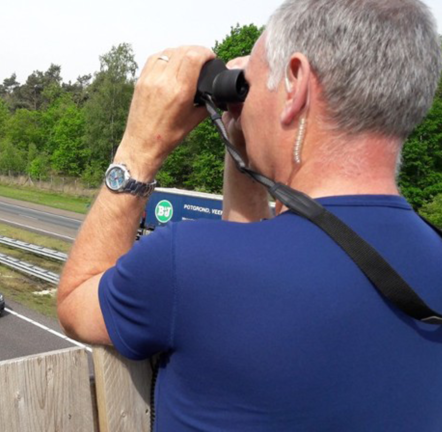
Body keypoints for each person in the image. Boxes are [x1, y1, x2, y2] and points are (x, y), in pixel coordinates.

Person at [56, 0, 442, 430]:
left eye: (252, 82)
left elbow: (76, 300)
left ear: (294, 83)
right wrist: (244, 146)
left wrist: (140, 146)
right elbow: (260, 275)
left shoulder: (187, 262)